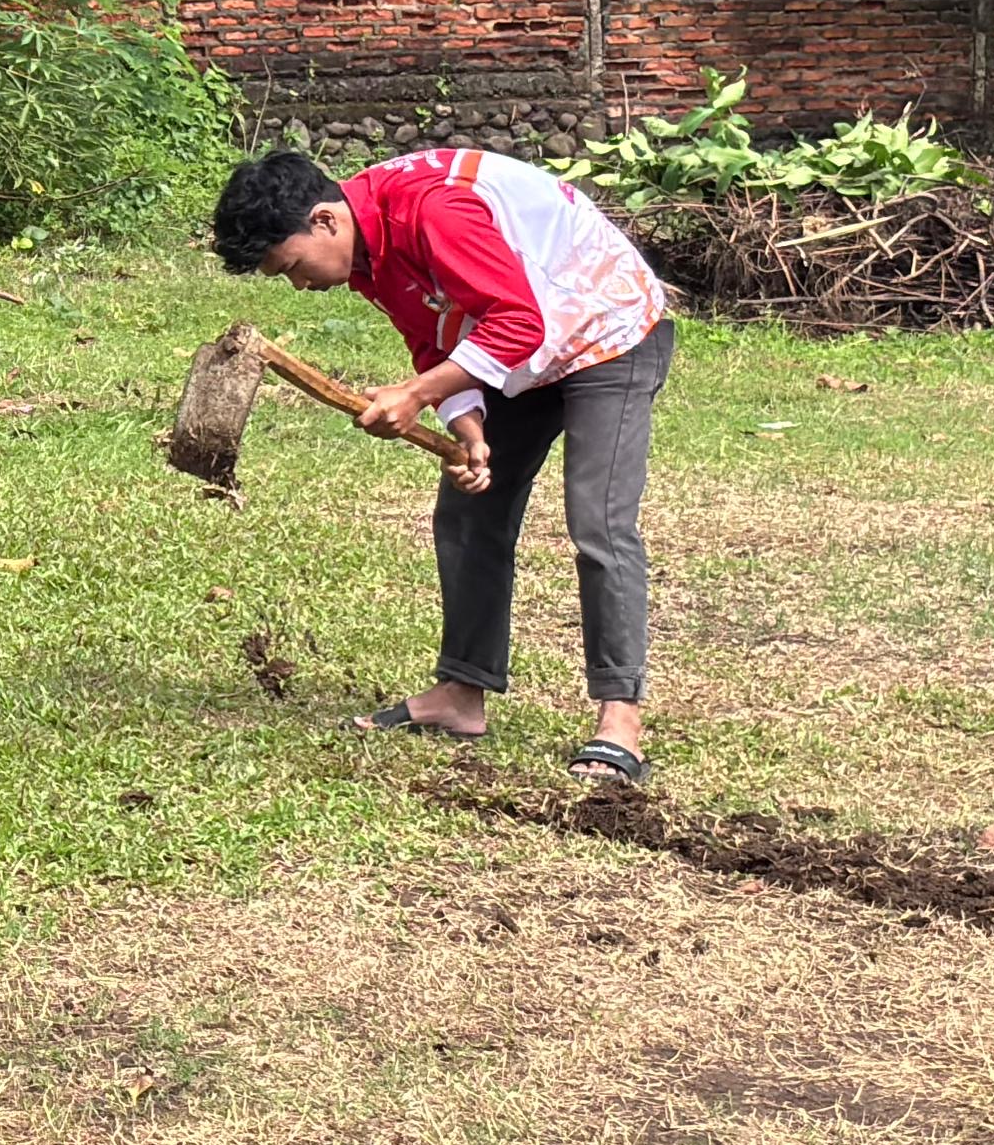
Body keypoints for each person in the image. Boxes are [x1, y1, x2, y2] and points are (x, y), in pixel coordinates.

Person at [210, 140, 676, 791]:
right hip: (526, 345)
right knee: (467, 511)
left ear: (323, 220)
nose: (301, 285)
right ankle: (463, 693)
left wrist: (416, 395)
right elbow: (433, 340)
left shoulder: (431, 211)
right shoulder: (367, 249)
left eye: (291, 266)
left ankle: (619, 718)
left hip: (610, 334)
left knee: (598, 521)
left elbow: (520, 321)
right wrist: (469, 426)